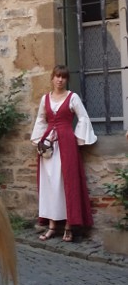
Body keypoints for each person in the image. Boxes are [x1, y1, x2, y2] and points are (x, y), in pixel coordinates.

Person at [30, 64, 96, 243]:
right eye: (57, 76)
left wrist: (78, 139)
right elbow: (41, 119)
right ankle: (52, 225)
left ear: (67, 79)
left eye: (63, 77)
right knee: (50, 183)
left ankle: (68, 225)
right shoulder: (45, 99)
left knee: (67, 183)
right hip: (48, 146)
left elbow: (82, 117)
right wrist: (39, 141)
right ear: (52, 78)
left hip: (67, 143)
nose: (60, 80)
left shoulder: (72, 97)